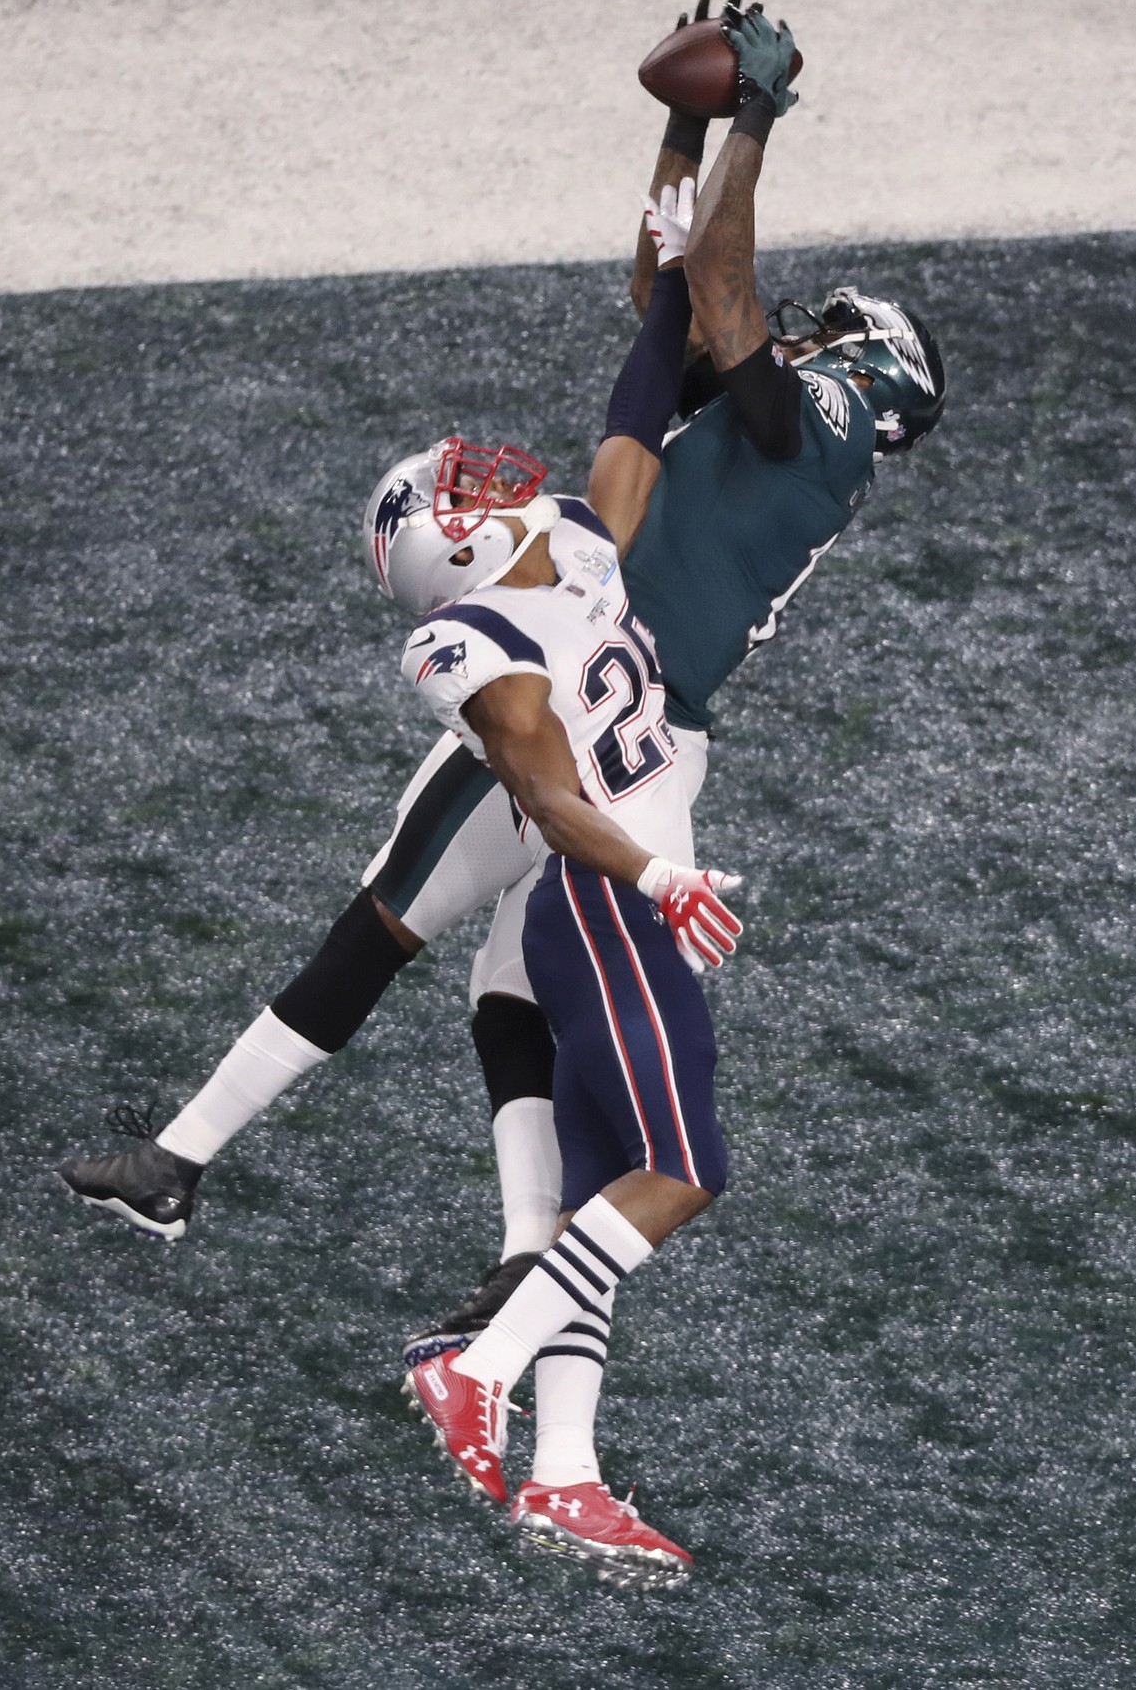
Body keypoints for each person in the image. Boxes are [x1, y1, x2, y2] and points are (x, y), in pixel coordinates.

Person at [60, 1, 944, 1357]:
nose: (805, 328)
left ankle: (180, 1167)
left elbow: (708, 292)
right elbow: (664, 303)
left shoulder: (824, 425)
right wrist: (677, 129)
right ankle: (524, 1256)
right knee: (502, 983)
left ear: (868, 366)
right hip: (641, 710)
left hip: (585, 690)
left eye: (831, 328)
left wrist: (749, 121)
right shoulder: (779, 442)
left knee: (386, 918)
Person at [389, 192, 743, 1579]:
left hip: (624, 901)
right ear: (453, 552)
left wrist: (667, 268)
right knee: (680, 1170)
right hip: (603, 905)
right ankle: (476, 1365)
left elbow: (637, 411)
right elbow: (543, 799)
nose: (489, 485)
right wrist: (660, 874)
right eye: (462, 498)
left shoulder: (582, 545)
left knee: (606, 1178)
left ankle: (566, 1471)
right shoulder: (469, 644)